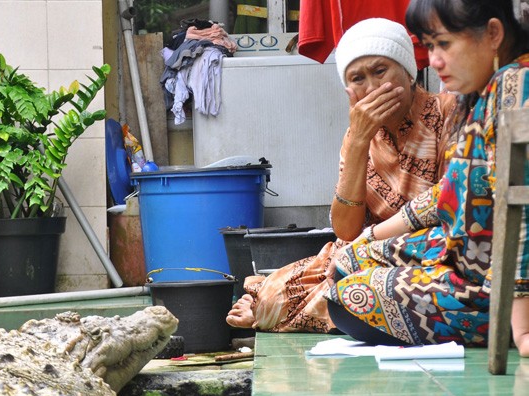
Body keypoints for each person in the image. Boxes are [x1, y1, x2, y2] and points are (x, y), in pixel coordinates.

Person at [323, 0, 529, 356]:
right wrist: (358, 143)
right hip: (456, 246)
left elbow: (520, 209)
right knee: (343, 262)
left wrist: (522, 326)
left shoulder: (499, 93)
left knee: (346, 299)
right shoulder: (481, 94)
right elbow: (349, 229)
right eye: (430, 47)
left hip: (491, 273)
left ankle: (503, 320)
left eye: (444, 44)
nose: (434, 60)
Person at [226, 18, 457, 333]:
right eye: (357, 78)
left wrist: (367, 246)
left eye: (380, 71)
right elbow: (346, 230)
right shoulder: (357, 135)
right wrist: (360, 142)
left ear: (407, 70)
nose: (372, 88)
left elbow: (450, 204)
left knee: (337, 293)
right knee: (273, 296)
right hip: (362, 250)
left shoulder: (447, 113)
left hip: (427, 247)